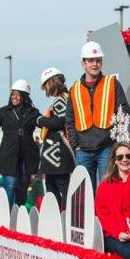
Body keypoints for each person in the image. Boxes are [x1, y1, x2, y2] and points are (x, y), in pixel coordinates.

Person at [66, 41, 130, 192]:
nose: (95, 64)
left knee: (107, 189)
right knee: (85, 192)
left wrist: (115, 138)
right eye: (90, 61)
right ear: (83, 64)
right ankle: (90, 217)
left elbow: (124, 109)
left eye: (98, 60)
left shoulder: (112, 83)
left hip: (106, 148)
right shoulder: (74, 89)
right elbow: (69, 119)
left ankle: (103, 216)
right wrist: (75, 144)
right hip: (82, 150)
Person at [0, 80, 41, 208]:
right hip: (9, 156)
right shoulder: (5, 111)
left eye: (18, 94)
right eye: (12, 94)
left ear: (24, 96)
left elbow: (44, 123)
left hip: (27, 156)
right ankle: (8, 216)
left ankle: (19, 215)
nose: (14, 97)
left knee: (22, 188)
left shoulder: (32, 112)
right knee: (10, 186)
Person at [37, 67, 76, 210]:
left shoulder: (61, 100)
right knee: (58, 189)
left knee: (57, 190)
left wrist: (40, 121)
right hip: (56, 155)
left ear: (51, 83)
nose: (46, 90)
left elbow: (60, 122)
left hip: (57, 154)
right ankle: (62, 216)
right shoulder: (66, 98)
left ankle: (62, 218)